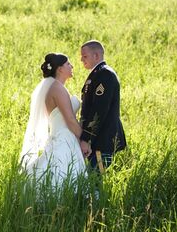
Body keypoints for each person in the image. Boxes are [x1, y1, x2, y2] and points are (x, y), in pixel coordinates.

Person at [20, 53, 87, 186]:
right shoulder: (57, 89)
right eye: (68, 64)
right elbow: (70, 120)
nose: (72, 66)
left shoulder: (58, 88)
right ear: (60, 69)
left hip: (65, 137)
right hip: (64, 139)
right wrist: (84, 139)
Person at [79, 40, 126, 173]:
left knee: (95, 182)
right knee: (92, 180)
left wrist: (86, 138)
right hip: (96, 139)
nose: (81, 59)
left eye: (85, 56)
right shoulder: (96, 74)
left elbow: (98, 111)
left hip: (102, 140)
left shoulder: (105, 75)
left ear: (96, 56)